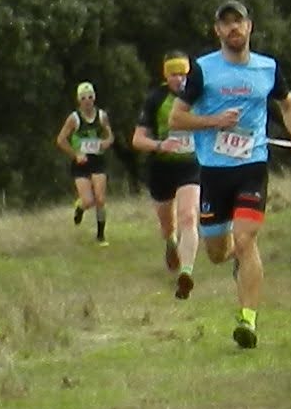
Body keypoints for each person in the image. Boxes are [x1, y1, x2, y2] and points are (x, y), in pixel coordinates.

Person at [174, 0, 291, 344]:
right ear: (217, 30)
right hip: (214, 172)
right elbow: (177, 118)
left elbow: (288, 103)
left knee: (247, 239)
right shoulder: (203, 70)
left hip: (252, 166)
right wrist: (213, 121)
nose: (233, 28)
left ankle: (247, 320)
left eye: (239, 21)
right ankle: (234, 256)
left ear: (250, 26)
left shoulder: (267, 68)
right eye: (226, 23)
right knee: (218, 252)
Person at [128, 52, 201, 281]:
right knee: (167, 225)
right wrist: (161, 145)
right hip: (161, 167)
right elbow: (137, 140)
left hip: (191, 164)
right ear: (166, 76)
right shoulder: (155, 99)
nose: (179, 79)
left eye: (183, 74)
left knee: (188, 216)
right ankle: (171, 243)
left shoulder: (199, 96)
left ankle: (186, 272)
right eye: (174, 75)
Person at [58, 83, 116, 241]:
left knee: (100, 198)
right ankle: (80, 207)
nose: (87, 101)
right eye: (83, 98)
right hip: (81, 162)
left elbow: (110, 136)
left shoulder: (102, 116)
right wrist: (75, 154)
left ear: (94, 98)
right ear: (78, 100)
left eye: (90, 97)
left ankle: (101, 235)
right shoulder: (74, 118)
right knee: (88, 200)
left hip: (98, 159)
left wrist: (106, 142)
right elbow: (61, 140)